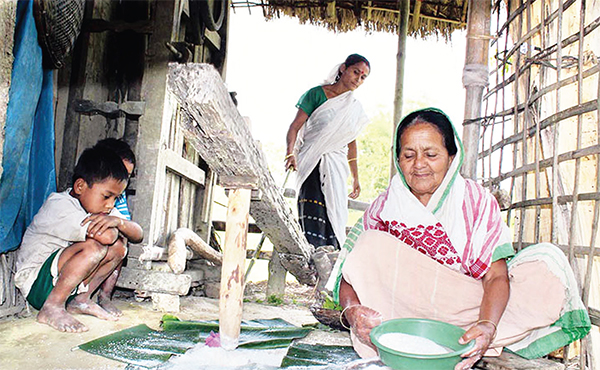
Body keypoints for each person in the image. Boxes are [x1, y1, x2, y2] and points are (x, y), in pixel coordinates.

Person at [328, 108, 590, 370]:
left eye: (431, 154)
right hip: (402, 315)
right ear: (398, 160)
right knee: (368, 243)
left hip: (468, 314)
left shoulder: (476, 202)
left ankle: (477, 339)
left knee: (547, 266)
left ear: (451, 157)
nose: (419, 164)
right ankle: (405, 343)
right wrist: (352, 311)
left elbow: (496, 276)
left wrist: (487, 325)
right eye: (409, 155)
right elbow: (350, 274)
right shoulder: (383, 208)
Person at [14, 146, 144, 333]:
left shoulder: (98, 208)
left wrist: (118, 222)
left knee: (119, 248)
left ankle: (80, 300)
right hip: (36, 285)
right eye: (107, 196)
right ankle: (51, 307)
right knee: (95, 247)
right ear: (80, 186)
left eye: (116, 199)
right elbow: (106, 236)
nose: (110, 205)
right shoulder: (59, 205)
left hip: (62, 284)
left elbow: (138, 233)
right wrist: (115, 227)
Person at [285, 54, 370, 250]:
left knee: (334, 215)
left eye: (363, 77)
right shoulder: (316, 94)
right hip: (310, 163)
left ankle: (329, 268)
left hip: (336, 168)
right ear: (343, 69)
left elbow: (351, 143)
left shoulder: (353, 108)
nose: (358, 79)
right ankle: (311, 264)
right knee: (311, 212)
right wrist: (290, 153)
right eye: (356, 72)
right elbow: (294, 127)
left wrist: (356, 178)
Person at [93, 138, 136, 220]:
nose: (111, 205)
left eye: (127, 176)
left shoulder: (119, 194)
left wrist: (119, 223)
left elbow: (128, 225)